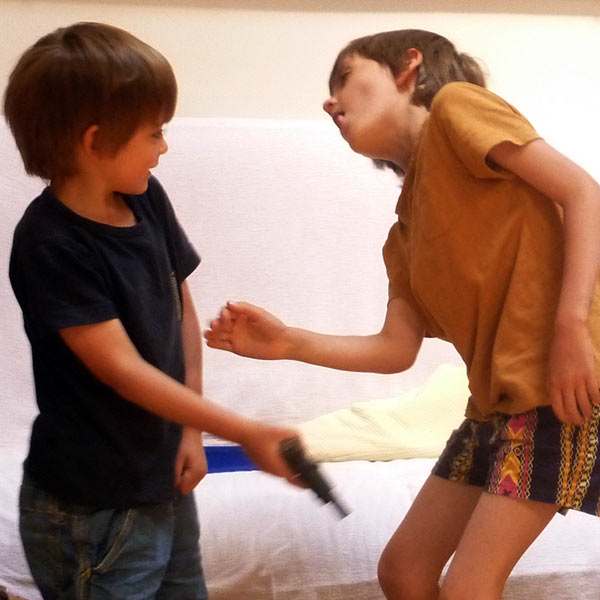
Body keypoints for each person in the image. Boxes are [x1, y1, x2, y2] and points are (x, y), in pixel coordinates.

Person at [205, 29, 600, 600]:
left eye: (345, 78)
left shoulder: (456, 109)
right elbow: (396, 350)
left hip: (560, 390)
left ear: (408, 68)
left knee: (469, 587)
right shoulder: (404, 234)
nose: (330, 102)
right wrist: (289, 341)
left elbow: (582, 192)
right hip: (496, 409)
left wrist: (570, 328)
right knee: (404, 571)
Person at [5, 22, 300, 600]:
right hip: (92, 511)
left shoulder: (144, 198)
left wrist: (191, 430)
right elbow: (124, 370)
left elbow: (179, 307)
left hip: (162, 481)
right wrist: (245, 432)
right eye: (155, 133)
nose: (164, 148)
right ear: (94, 142)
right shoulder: (50, 244)